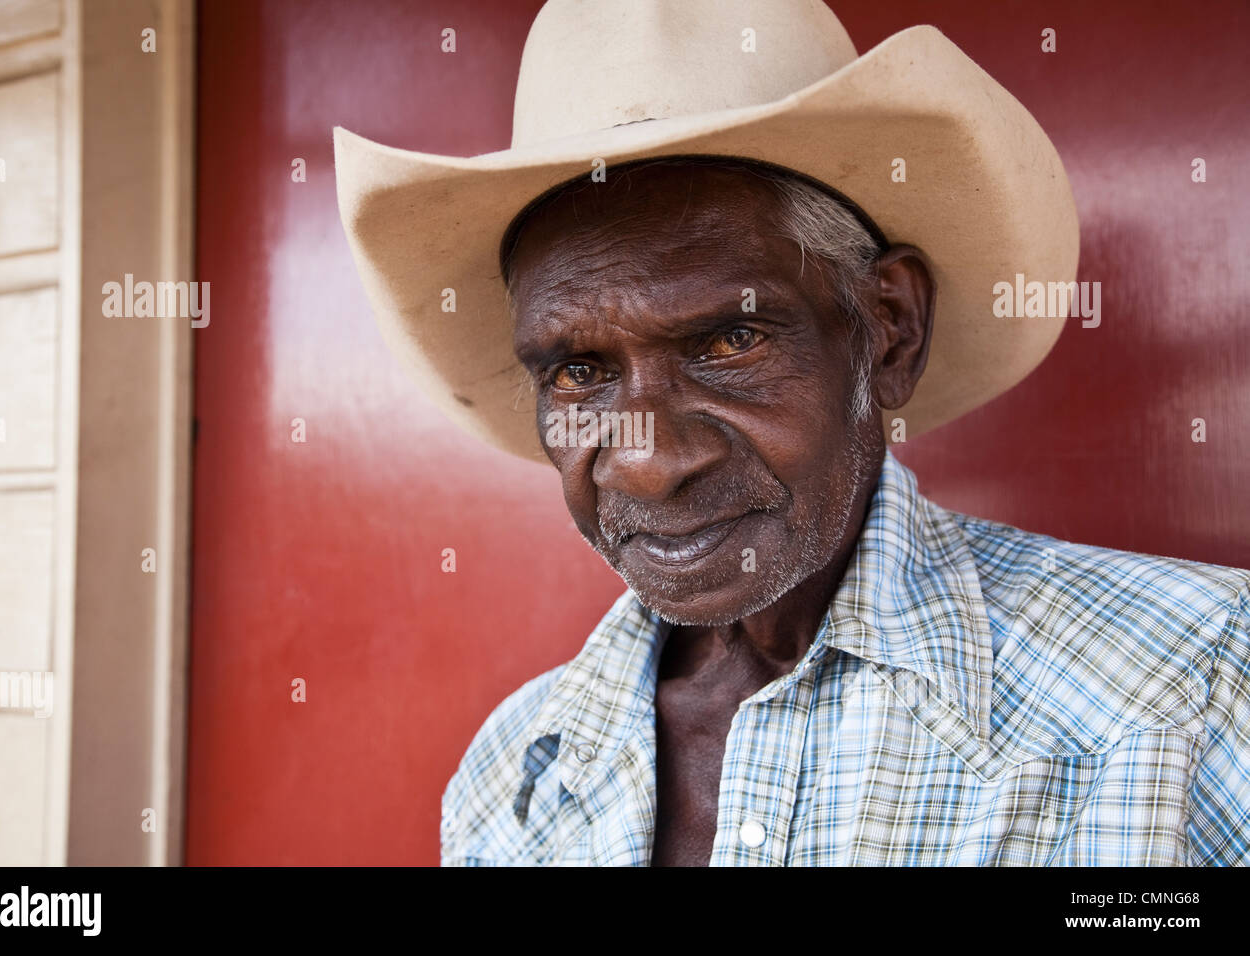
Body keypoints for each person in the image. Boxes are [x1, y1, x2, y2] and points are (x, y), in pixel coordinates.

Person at [334, 0, 1250, 865]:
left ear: (889, 330)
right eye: (579, 371)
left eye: (731, 339)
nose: (649, 464)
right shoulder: (516, 773)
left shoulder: (1194, 688)